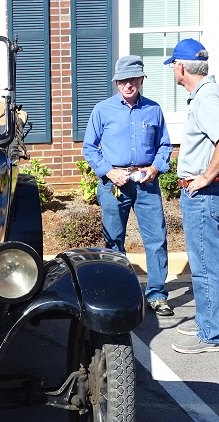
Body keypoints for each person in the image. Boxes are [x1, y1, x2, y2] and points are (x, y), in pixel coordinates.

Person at [83, 55, 174, 316]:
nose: (128, 85)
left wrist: (155, 168)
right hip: (115, 183)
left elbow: (164, 145)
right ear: (116, 82)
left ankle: (156, 294)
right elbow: (89, 147)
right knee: (113, 241)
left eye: (133, 79)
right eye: (122, 80)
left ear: (141, 80)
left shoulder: (154, 110)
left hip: (146, 183)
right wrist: (109, 172)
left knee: (156, 238)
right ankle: (117, 292)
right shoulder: (102, 110)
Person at [164, 39, 219, 354]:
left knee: (206, 265)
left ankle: (210, 337)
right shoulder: (208, 94)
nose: (173, 71)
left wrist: (206, 176)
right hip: (206, 191)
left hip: (205, 192)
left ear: (181, 67)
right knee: (204, 263)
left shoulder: (206, 98)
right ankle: (206, 325)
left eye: (173, 66)